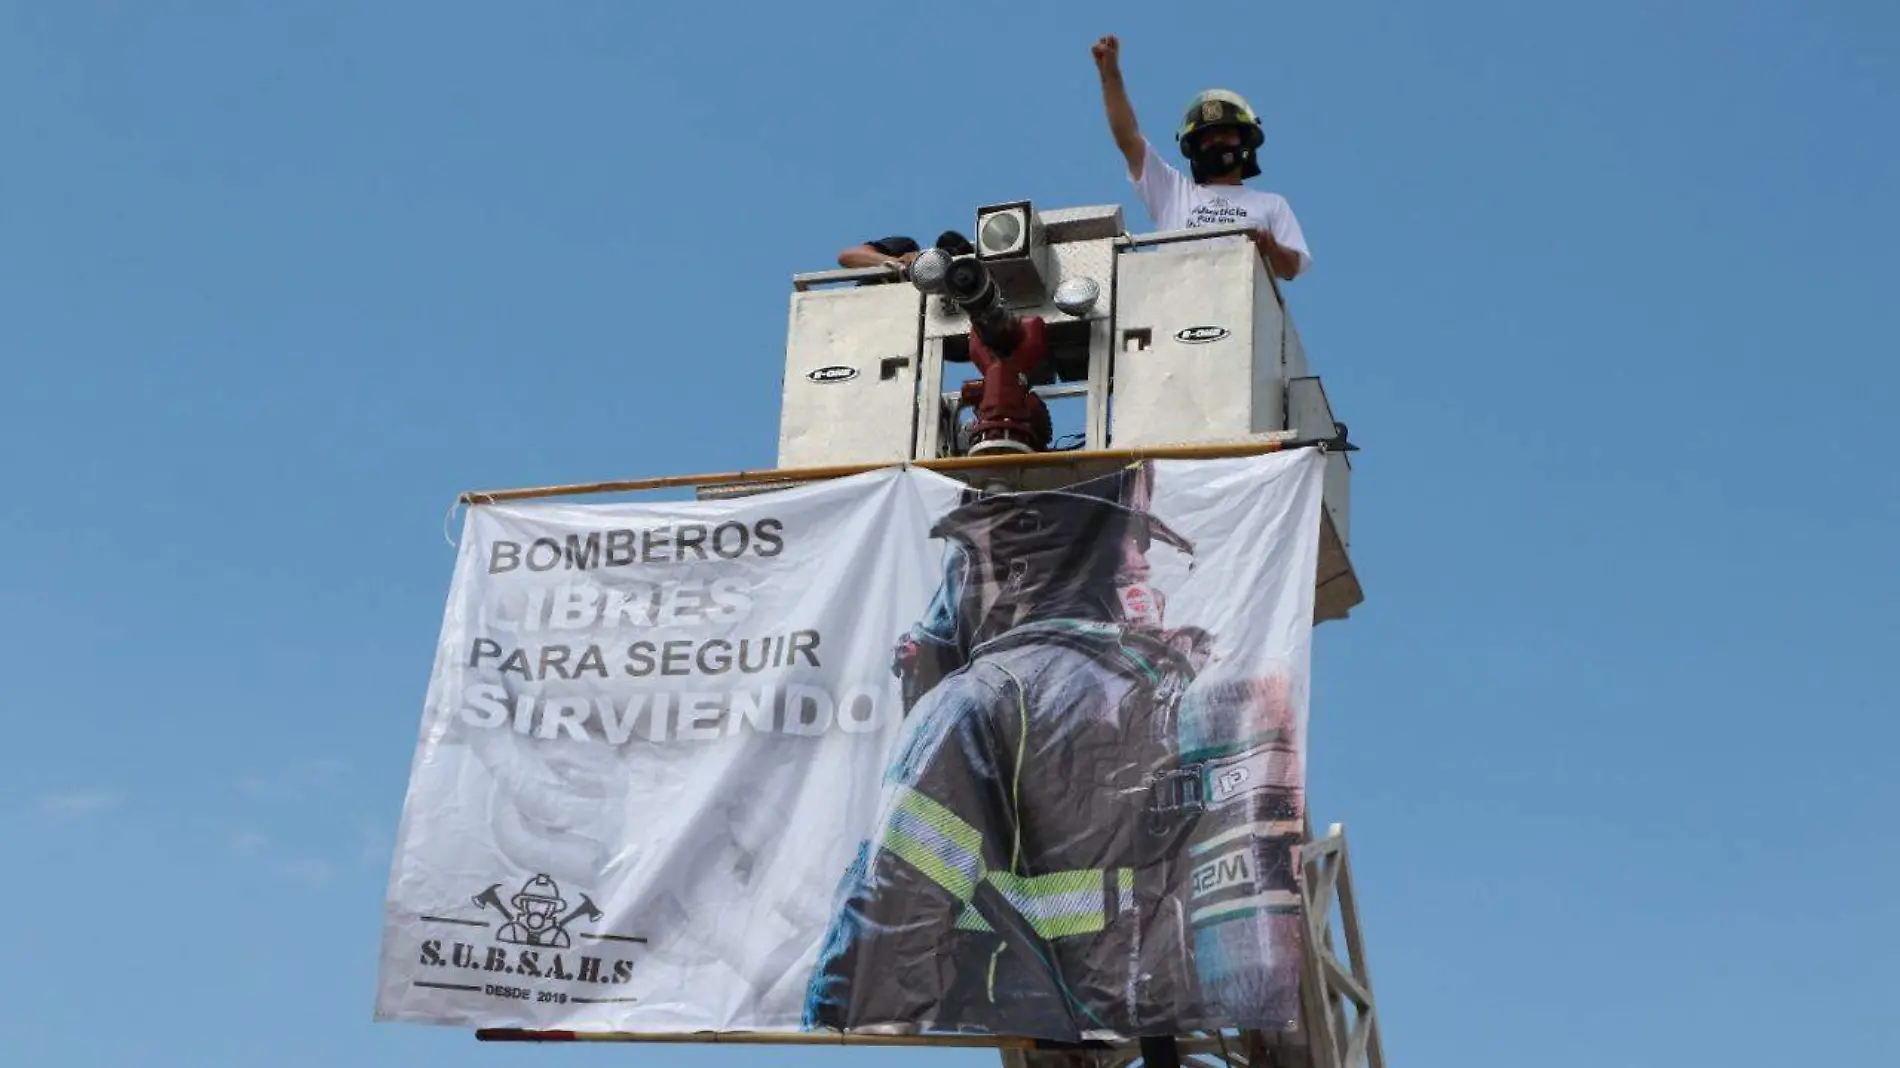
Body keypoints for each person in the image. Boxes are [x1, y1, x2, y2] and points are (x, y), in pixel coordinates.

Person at [803, 463, 1222, 1041]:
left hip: (1029, 1005)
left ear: (1020, 576)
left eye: (974, 569)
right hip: (1158, 1015)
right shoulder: (1185, 689)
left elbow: (892, 914)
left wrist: (836, 1010)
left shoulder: (980, 699)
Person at [1090, 35, 1310, 281]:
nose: (1215, 142)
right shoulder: (1172, 192)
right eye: (1206, 137)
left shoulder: (1271, 204)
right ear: (1194, 149)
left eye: (1225, 133)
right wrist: (1110, 76)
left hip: (1236, 314)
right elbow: (1127, 138)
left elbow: (1291, 268)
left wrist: (1270, 248)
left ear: (1245, 143)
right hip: (1175, 310)